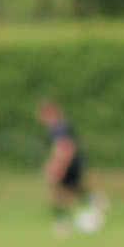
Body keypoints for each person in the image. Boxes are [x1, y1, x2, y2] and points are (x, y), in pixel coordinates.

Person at [37, 99, 106, 236]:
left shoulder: (57, 127)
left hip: (67, 164)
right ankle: (94, 198)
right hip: (74, 163)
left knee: (57, 194)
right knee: (71, 191)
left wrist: (58, 166)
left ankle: (63, 224)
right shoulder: (62, 125)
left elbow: (65, 147)